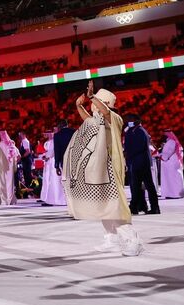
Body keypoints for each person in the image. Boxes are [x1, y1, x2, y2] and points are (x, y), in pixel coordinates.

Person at [63, 83, 143, 256]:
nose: (92, 106)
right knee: (104, 206)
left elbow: (105, 112)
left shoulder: (114, 118)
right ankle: (112, 239)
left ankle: (132, 241)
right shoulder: (97, 122)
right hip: (101, 170)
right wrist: (79, 106)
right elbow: (88, 120)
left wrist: (92, 97)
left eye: (96, 102)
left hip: (111, 169)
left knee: (116, 207)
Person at [124, 114, 160, 215]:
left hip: (142, 163)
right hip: (136, 162)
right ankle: (137, 206)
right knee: (136, 186)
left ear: (137, 121)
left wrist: (127, 153)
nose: (128, 122)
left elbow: (138, 147)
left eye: (130, 120)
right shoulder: (132, 131)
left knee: (148, 185)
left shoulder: (140, 131)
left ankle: (154, 207)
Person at [40, 129, 66, 206]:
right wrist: (44, 156)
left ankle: (55, 199)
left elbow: (53, 151)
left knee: (54, 179)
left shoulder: (56, 140)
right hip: (49, 162)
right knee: (49, 179)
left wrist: (47, 156)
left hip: (53, 161)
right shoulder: (47, 142)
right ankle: (48, 197)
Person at [0, 130, 19, 205]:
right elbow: (18, 156)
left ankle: (3, 200)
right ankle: (10, 199)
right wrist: (13, 164)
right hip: (10, 167)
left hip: (2, 167)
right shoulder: (12, 145)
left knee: (1, 182)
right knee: (10, 183)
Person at [159, 129, 184, 198]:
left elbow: (167, 153)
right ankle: (176, 194)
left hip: (170, 163)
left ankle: (173, 194)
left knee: (172, 178)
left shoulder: (171, 142)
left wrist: (160, 156)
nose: (165, 134)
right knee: (175, 178)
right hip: (174, 163)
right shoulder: (174, 142)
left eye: (166, 133)